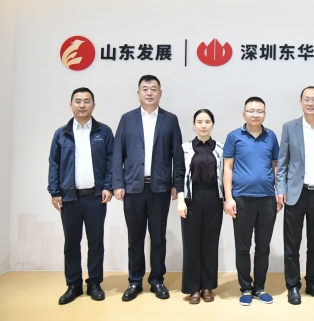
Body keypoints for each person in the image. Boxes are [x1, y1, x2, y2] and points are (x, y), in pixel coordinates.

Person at [112, 75, 182, 301]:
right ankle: (134, 281)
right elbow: (117, 153)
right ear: (138, 93)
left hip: (160, 188)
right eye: (145, 89)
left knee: (158, 237)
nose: (149, 93)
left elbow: (177, 155)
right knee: (135, 237)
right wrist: (117, 183)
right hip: (133, 187)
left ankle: (157, 280)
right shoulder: (127, 119)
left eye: (153, 89)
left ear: (160, 93)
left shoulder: (170, 119)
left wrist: (176, 184)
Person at [48, 87, 114, 305]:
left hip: (95, 197)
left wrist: (108, 186)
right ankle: (74, 284)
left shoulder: (104, 132)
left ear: (93, 105)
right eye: (78, 101)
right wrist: (55, 191)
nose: (82, 105)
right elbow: (54, 164)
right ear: (71, 105)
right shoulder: (61, 133)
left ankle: (94, 283)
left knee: (96, 242)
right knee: (71, 243)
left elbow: (112, 161)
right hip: (69, 198)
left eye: (87, 101)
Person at [276, 86, 314, 305]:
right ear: (301, 102)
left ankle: (312, 283)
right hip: (295, 193)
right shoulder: (289, 127)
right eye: (307, 99)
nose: (310, 103)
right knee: (292, 244)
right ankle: (293, 285)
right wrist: (281, 190)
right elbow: (282, 162)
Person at [223, 96, 281, 306]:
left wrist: (278, 193)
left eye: (259, 111)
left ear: (264, 114)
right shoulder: (234, 136)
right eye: (251, 111)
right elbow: (227, 168)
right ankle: (246, 288)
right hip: (241, 199)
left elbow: (276, 167)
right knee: (243, 247)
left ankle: (260, 288)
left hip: (267, 200)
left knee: (263, 247)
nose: (255, 114)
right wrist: (228, 198)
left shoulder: (271, 136)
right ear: (244, 113)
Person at [175, 109, 224, 304]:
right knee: (191, 244)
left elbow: (226, 175)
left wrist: (226, 199)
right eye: (199, 122)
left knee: (210, 244)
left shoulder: (220, 148)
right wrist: (181, 200)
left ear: (213, 124)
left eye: (207, 121)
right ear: (194, 125)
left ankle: (208, 286)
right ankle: (193, 287)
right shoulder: (185, 148)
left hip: (213, 198)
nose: (203, 125)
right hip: (191, 199)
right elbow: (179, 174)